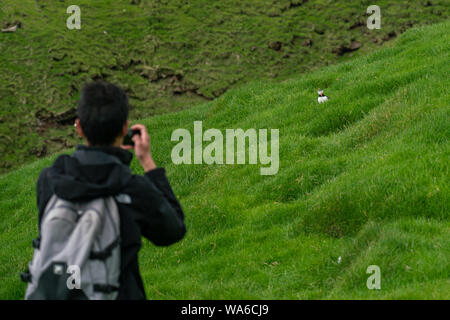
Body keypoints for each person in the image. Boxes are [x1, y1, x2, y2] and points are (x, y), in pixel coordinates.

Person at [36, 81, 186, 299]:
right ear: (125, 128)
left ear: (79, 127)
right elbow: (173, 231)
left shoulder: (50, 180)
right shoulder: (133, 189)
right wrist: (148, 163)